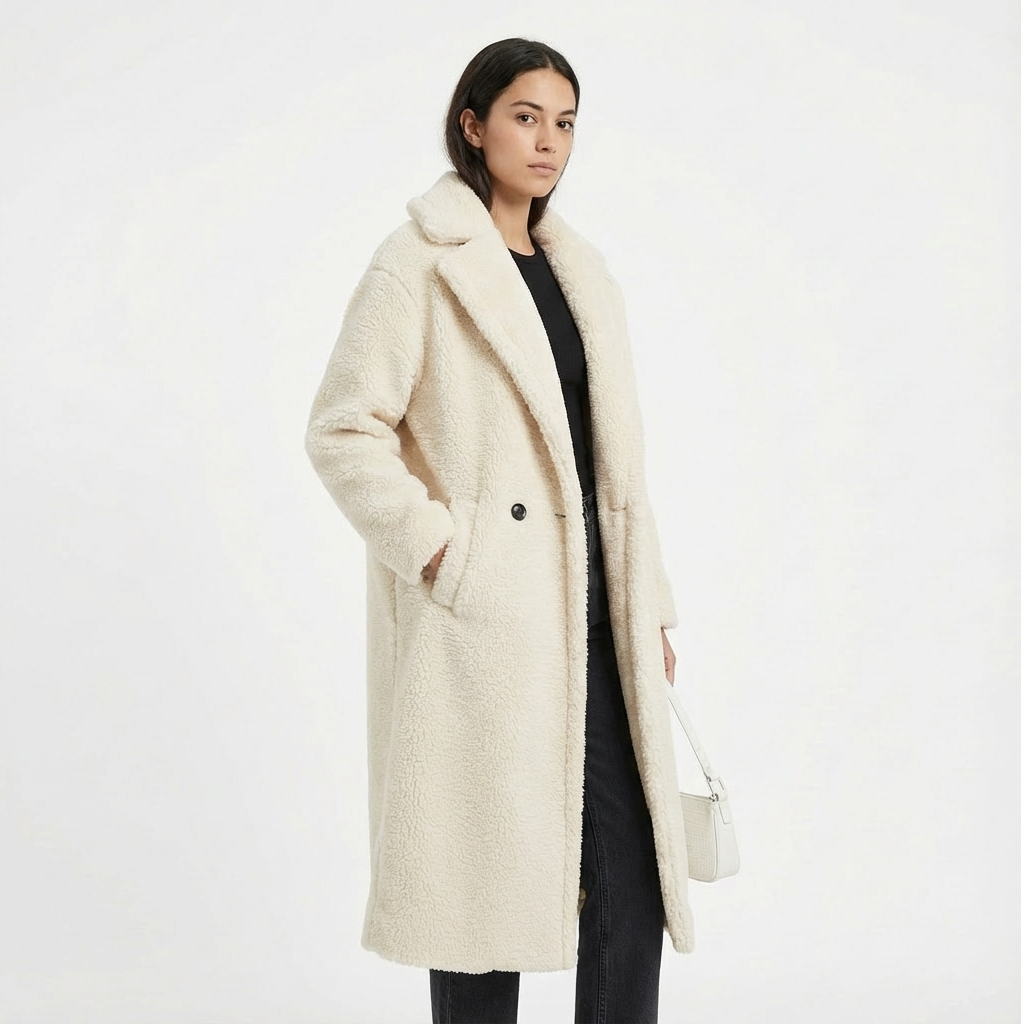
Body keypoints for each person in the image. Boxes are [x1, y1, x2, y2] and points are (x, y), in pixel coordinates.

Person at [304, 36, 695, 1024]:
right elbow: (343, 428)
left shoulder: (582, 273)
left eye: (565, 122)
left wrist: (647, 601)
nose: (548, 141)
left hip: (594, 611)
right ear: (473, 126)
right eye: (526, 117)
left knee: (631, 879)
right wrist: (444, 552)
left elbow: (614, 466)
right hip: (486, 621)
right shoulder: (418, 264)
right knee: (479, 887)